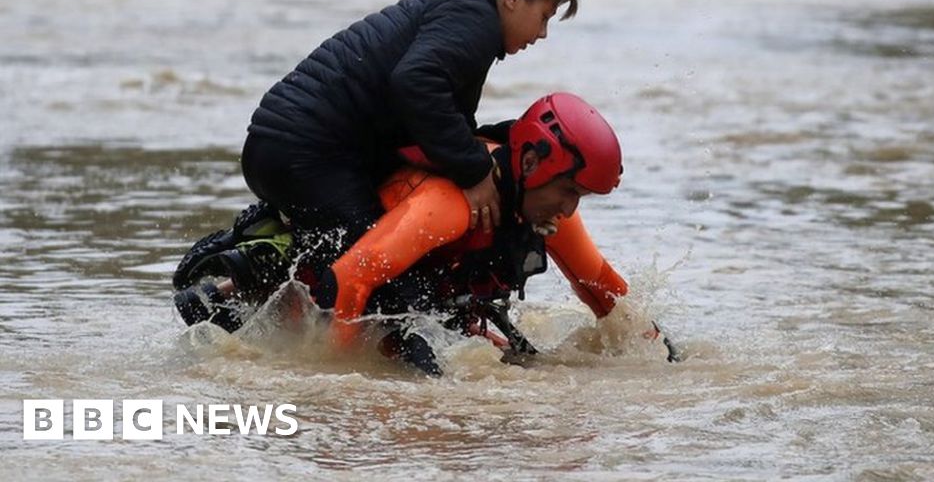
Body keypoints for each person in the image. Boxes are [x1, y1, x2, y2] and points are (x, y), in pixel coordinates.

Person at [173, 93, 681, 375]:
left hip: (417, 303)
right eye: (568, 191)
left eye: (581, 198)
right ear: (528, 161)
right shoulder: (448, 206)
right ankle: (229, 286)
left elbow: (604, 290)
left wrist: (667, 357)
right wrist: (343, 378)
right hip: (333, 294)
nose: (570, 208)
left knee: (523, 368)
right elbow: (347, 282)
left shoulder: (545, 207)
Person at [238, 0, 581, 294]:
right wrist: (475, 171)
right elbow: (416, 83)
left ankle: (231, 290)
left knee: (372, 257)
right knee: (382, 277)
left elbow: (445, 114)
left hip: (287, 147)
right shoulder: (474, 18)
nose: (542, 33)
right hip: (304, 152)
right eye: (544, 16)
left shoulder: (461, 9)